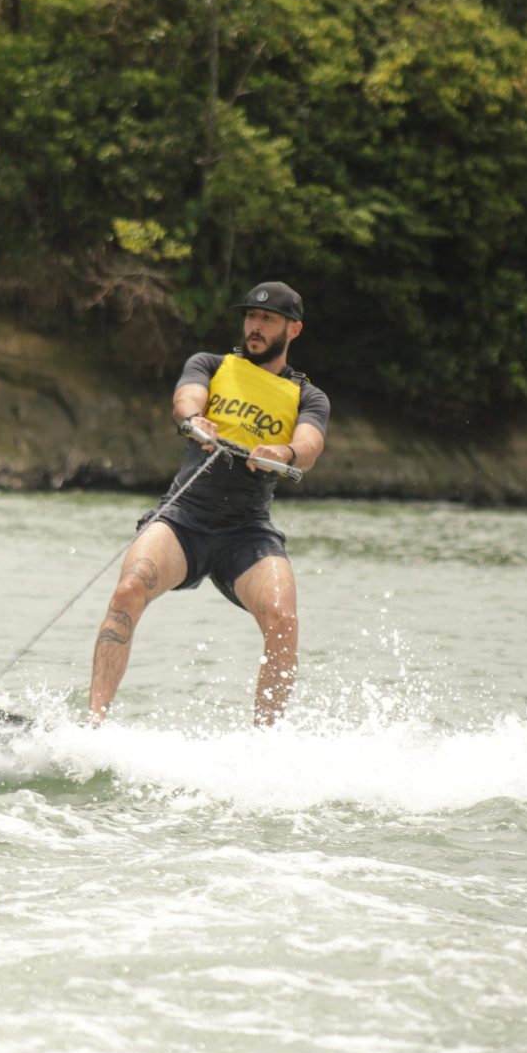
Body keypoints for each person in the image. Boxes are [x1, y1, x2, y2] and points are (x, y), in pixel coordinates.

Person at [89, 281, 330, 727]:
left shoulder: (307, 397)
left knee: (283, 620)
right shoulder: (211, 365)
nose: (255, 327)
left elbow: (310, 443)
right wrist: (193, 418)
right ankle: (94, 725)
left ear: (293, 329)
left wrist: (286, 453)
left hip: (247, 532)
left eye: (268, 320)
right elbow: (187, 397)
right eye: (251, 317)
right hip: (183, 520)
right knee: (127, 590)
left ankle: (264, 745)